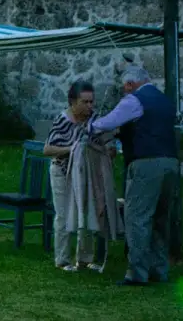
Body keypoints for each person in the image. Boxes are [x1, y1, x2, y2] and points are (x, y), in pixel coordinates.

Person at [89, 65, 178, 287]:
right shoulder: (165, 100)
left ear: (130, 84)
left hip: (146, 163)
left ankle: (137, 273)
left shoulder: (134, 100)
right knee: (160, 218)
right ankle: (159, 269)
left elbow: (109, 121)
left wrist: (91, 126)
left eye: (125, 88)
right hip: (171, 163)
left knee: (137, 217)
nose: (124, 92)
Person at [43, 80, 115, 272]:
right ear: (73, 102)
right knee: (64, 215)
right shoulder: (62, 120)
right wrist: (73, 149)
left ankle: (84, 259)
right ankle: (62, 260)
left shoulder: (95, 120)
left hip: (87, 175)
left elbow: (107, 142)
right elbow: (48, 149)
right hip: (62, 172)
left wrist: (108, 150)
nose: (89, 106)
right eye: (85, 102)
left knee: (87, 212)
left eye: (91, 102)